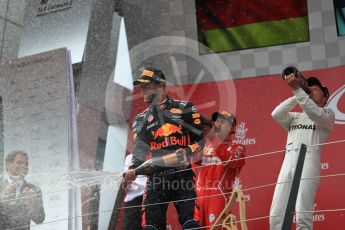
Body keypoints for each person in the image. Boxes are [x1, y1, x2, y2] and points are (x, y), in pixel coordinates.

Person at [123, 67, 204, 230]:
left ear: (160, 85)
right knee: (151, 227)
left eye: (146, 86)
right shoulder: (141, 119)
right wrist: (132, 169)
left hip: (182, 175)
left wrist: (187, 151)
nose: (142, 90)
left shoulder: (185, 108)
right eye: (141, 87)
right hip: (156, 178)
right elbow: (139, 152)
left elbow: (200, 142)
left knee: (191, 225)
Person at [269, 74, 335, 229]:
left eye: (315, 89)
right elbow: (276, 114)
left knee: (302, 213)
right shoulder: (295, 117)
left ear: (325, 98)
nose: (310, 91)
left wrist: (299, 91)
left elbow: (313, 112)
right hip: (288, 164)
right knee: (276, 215)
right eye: (308, 88)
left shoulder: (327, 115)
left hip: (308, 162)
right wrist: (297, 93)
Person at [196, 111, 245, 229]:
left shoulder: (237, 148)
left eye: (222, 122)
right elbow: (191, 159)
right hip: (198, 196)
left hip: (218, 196)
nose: (217, 124)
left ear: (232, 127)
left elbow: (229, 160)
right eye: (216, 121)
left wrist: (214, 140)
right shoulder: (206, 146)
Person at [0, 150, 45, 230]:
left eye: (26, 164)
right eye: (19, 162)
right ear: (7, 165)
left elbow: (39, 219)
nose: (24, 166)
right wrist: (2, 199)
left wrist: (31, 202)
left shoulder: (34, 189)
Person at [122, 153, 147, 230]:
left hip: (152, 199)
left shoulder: (158, 153)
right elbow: (125, 186)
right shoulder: (130, 157)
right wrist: (125, 179)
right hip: (133, 201)